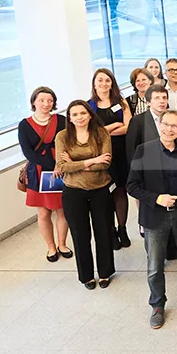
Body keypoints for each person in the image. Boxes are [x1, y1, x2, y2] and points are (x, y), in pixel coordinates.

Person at [126, 109, 177, 329]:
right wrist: (157, 199)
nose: (169, 129)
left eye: (174, 126)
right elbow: (132, 185)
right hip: (155, 216)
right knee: (155, 266)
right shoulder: (144, 150)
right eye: (166, 124)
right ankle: (157, 305)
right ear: (159, 125)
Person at [55, 101, 114, 289]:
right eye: (75, 114)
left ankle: (105, 272)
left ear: (90, 115)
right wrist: (92, 161)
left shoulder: (101, 133)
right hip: (73, 191)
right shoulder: (62, 136)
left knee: (104, 232)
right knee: (80, 235)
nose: (79, 117)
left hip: (100, 189)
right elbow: (62, 166)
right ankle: (86, 276)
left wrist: (75, 163)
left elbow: (105, 163)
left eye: (83, 113)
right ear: (69, 118)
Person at [19, 86, 70, 262]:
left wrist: (60, 164)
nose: (46, 104)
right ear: (34, 102)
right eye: (41, 100)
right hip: (38, 172)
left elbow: (68, 143)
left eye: (49, 100)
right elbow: (27, 152)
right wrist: (51, 165)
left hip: (60, 170)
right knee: (43, 213)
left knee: (62, 211)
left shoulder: (61, 120)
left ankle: (62, 244)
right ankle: (50, 247)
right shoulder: (24, 125)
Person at [89, 68, 132, 249]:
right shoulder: (89, 106)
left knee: (121, 191)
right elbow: (91, 133)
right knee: (106, 194)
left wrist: (103, 132)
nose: (104, 83)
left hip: (121, 152)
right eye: (100, 80)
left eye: (107, 80)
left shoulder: (121, 102)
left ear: (112, 83)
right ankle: (111, 231)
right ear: (94, 83)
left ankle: (122, 228)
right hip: (101, 155)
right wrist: (114, 125)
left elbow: (128, 127)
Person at [125, 84, 168, 168]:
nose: (162, 101)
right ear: (148, 102)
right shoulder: (137, 121)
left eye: (164, 98)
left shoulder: (172, 119)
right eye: (157, 98)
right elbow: (131, 150)